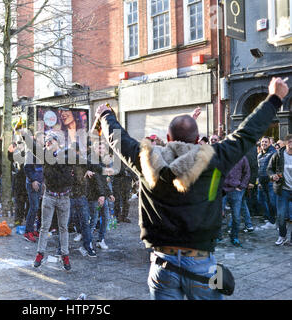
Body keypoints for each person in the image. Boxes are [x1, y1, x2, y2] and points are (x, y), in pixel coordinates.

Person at [93, 77, 289, 300]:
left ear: (168, 138)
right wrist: (274, 98)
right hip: (201, 264)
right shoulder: (214, 159)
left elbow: (120, 141)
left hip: (162, 264)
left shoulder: (146, 160)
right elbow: (246, 134)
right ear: (198, 140)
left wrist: (106, 115)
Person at [32, 132, 74, 271]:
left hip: (64, 197)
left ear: (57, 142)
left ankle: (65, 255)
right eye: (46, 141)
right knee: (45, 227)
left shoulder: (66, 156)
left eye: (50, 141)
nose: (48, 143)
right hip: (49, 196)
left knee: (63, 227)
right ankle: (40, 254)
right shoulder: (44, 155)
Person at [267, 134, 292, 245]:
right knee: (281, 215)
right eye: (290, 141)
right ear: (286, 143)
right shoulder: (278, 155)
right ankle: (282, 236)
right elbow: (269, 169)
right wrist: (272, 176)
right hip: (283, 190)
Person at [222, 156, 251, 247]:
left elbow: (247, 173)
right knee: (217, 215)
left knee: (236, 216)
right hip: (222, 190)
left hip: (236, 190)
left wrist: (242, 186)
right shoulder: (222, 155)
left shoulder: (242, 157)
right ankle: (217, 236)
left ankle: (234, 236)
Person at [23, 132, 45, 243]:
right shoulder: (31, 151)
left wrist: (44, 182)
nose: (44, 139)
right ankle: (28, 232)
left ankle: (35, 229)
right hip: (32, 184)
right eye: (42, 138)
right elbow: (27, 168)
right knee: (34, 207)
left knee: (39, 208)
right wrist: (33, 180)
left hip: (41, 183)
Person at [257, 136, 277, 229]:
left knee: (272, 202)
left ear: (269, 143)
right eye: (262, 142)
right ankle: (270, 220)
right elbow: (259, 169)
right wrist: (259, 181)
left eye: (266, 142)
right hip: (262, 182)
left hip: (271, 182)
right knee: (264, 201)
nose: (264, 144)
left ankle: (276, 221)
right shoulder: (259, 155)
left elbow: (278, 167)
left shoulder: (273, 153)